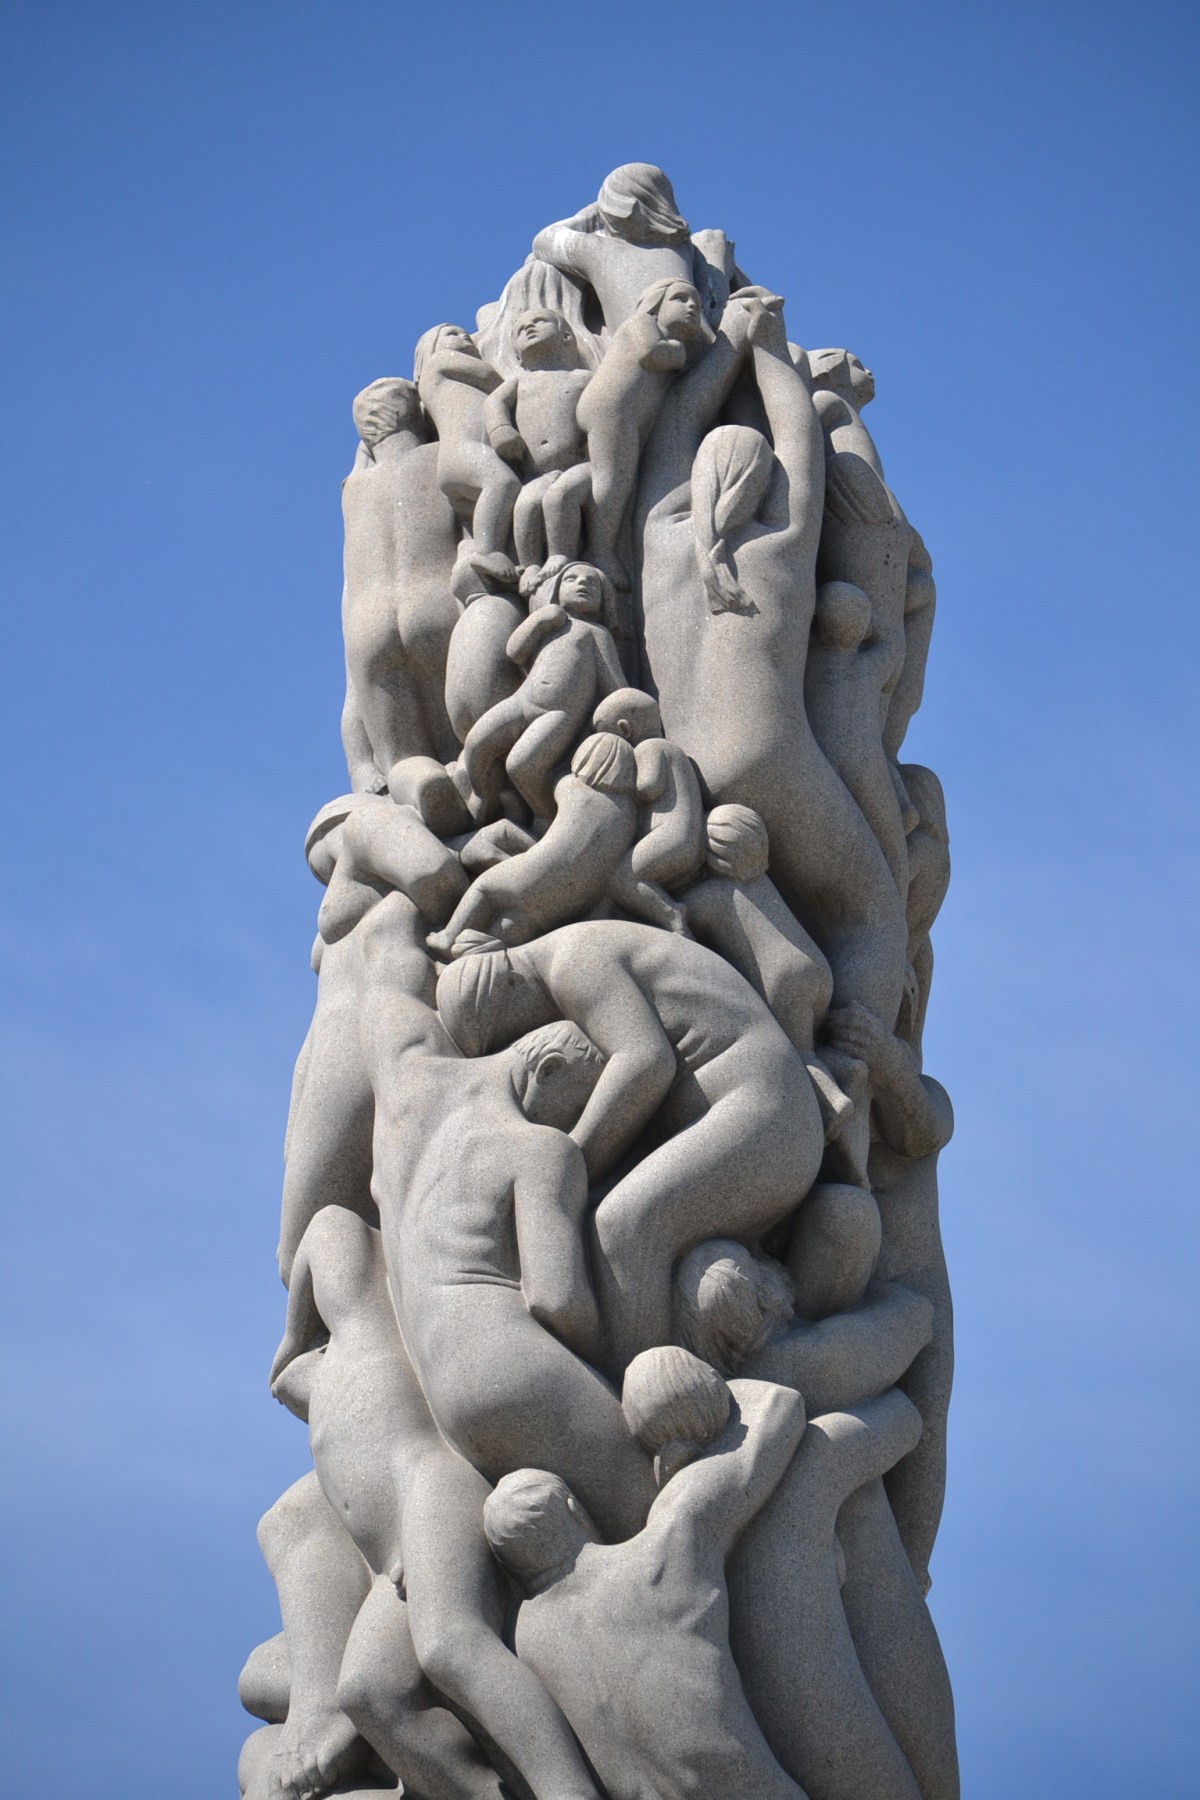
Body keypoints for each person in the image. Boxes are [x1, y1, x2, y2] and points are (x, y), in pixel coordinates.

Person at [634, 289, 908, 1028]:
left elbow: (678, 426)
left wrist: (724, 346)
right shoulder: (778, 547)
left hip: (685, 765)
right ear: (761, 485)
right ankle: (853, 1053)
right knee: (874, 915)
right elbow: (799, 438)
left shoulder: (659, 537)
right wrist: (764, 342)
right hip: (768, 754)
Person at [269, 1205, 606, 1800]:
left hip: (430, 1489)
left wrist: (307, 1355)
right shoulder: (339, 1343)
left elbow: (288, 1360)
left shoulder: (372, 1280)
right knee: (369, 1693)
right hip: (391, 1549)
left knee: (451, 1643)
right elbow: (286, 1373)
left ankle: (569, 1791)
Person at [359, 889, 657, 1542]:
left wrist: (411, 913)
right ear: (547, 1067)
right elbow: (555, 1299)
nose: (574, 1127)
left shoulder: (409, 1079)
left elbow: (385, 991)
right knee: (655, 1520)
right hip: (508, 1367)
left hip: (437, 1383)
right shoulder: (539, 1150)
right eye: (574, 1106)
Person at [435, 920, 824, 1374]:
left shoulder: (574, 961)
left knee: (625, 1224)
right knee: (612, 1221)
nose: (527, 1039)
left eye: (512, 1032)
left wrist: (571, 1161)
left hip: (766, 1116)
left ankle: (642, 1391)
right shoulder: (571, 955)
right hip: (750, 1115)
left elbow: (645, 1061)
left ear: (512, 986)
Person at [484, 1370, 807, 1800]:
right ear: (574, 1509)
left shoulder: (521, 1642)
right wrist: (673, 1391)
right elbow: (781, 1405)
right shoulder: (658, 1557)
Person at [427, 731, 686, 957]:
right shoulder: (629, 813)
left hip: (541, 871)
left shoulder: (570, 786)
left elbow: (546, 783)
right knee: (519, 920)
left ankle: (448, 937)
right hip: (580, 897)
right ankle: (482, 947)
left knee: (485, 887)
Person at [340, 378, 460, 788]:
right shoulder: (440, 457)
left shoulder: (353, 491)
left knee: (402, 761)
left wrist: (359, 764)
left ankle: (418, 787)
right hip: (436, 604)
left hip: (367, 627)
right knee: (463, 746)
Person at [459, 560, 625, 821]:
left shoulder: (597, 633)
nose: (582, 583)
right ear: (556, 590)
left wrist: (628, 716)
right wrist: (539, 621)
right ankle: (483, 798)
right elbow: (515, 652)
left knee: (522, 766)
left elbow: (614, 683)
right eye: (571, 579)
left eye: (592, 582)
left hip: (560, 713)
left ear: (605, 600)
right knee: (476, 744)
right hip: (521, 701)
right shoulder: (551, 624)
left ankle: (546, 817)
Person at [574, 278, 711, 588]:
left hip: (627, 415)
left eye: (698, 304)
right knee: (614, 481)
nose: (692, 306)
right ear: (655, 304)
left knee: (621, 479)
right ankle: (599, 550)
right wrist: (681, 352)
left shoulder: (666, 335)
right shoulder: (642, 323)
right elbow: (651, 354)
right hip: (610, 408)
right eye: (680, 298)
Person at [532, 162, 738, 333]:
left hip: (642, 349)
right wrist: (717, 265)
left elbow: (544, 239)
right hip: (701, 347)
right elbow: (713, 311)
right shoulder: (683, 248)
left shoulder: (599, 250)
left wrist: (589, 215)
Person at [805, 580, 908, 894]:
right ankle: (896, 892)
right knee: (891, 842)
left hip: (820, 753)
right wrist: (871, 621)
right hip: (864, 761)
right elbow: (893, 643)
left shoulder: (811, 663)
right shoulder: (868, 666)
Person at [481, 309, 592, 567]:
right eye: (520, 330)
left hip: (578, 465)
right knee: (526, 504)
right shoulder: (519, 382)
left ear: (566, 336)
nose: (529, 328)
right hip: (536, 473)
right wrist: (500, 430)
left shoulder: (582, 378)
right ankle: (530, 566)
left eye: (539, 321)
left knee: (560, 497)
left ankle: (561, 554)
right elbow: (493, 403)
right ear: (517, 355)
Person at [412, 324, 520, 584]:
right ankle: (488, 551)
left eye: (465, 334)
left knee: (495, 501)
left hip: (462, 459)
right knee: (503, 483)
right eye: (452, 334)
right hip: (465, 452)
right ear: (430, 346)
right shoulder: (440, 361)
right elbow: (487, 375)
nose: (465, 337)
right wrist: (522, 381)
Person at [590, 687, 706, 894]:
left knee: (624, 877)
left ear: (624, 730)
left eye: (607, 735)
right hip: (687, 841)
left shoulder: (649, 747)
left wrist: (619, 784)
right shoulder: (672, 749)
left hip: (672, 838)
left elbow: (649, 788)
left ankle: (673, 912)